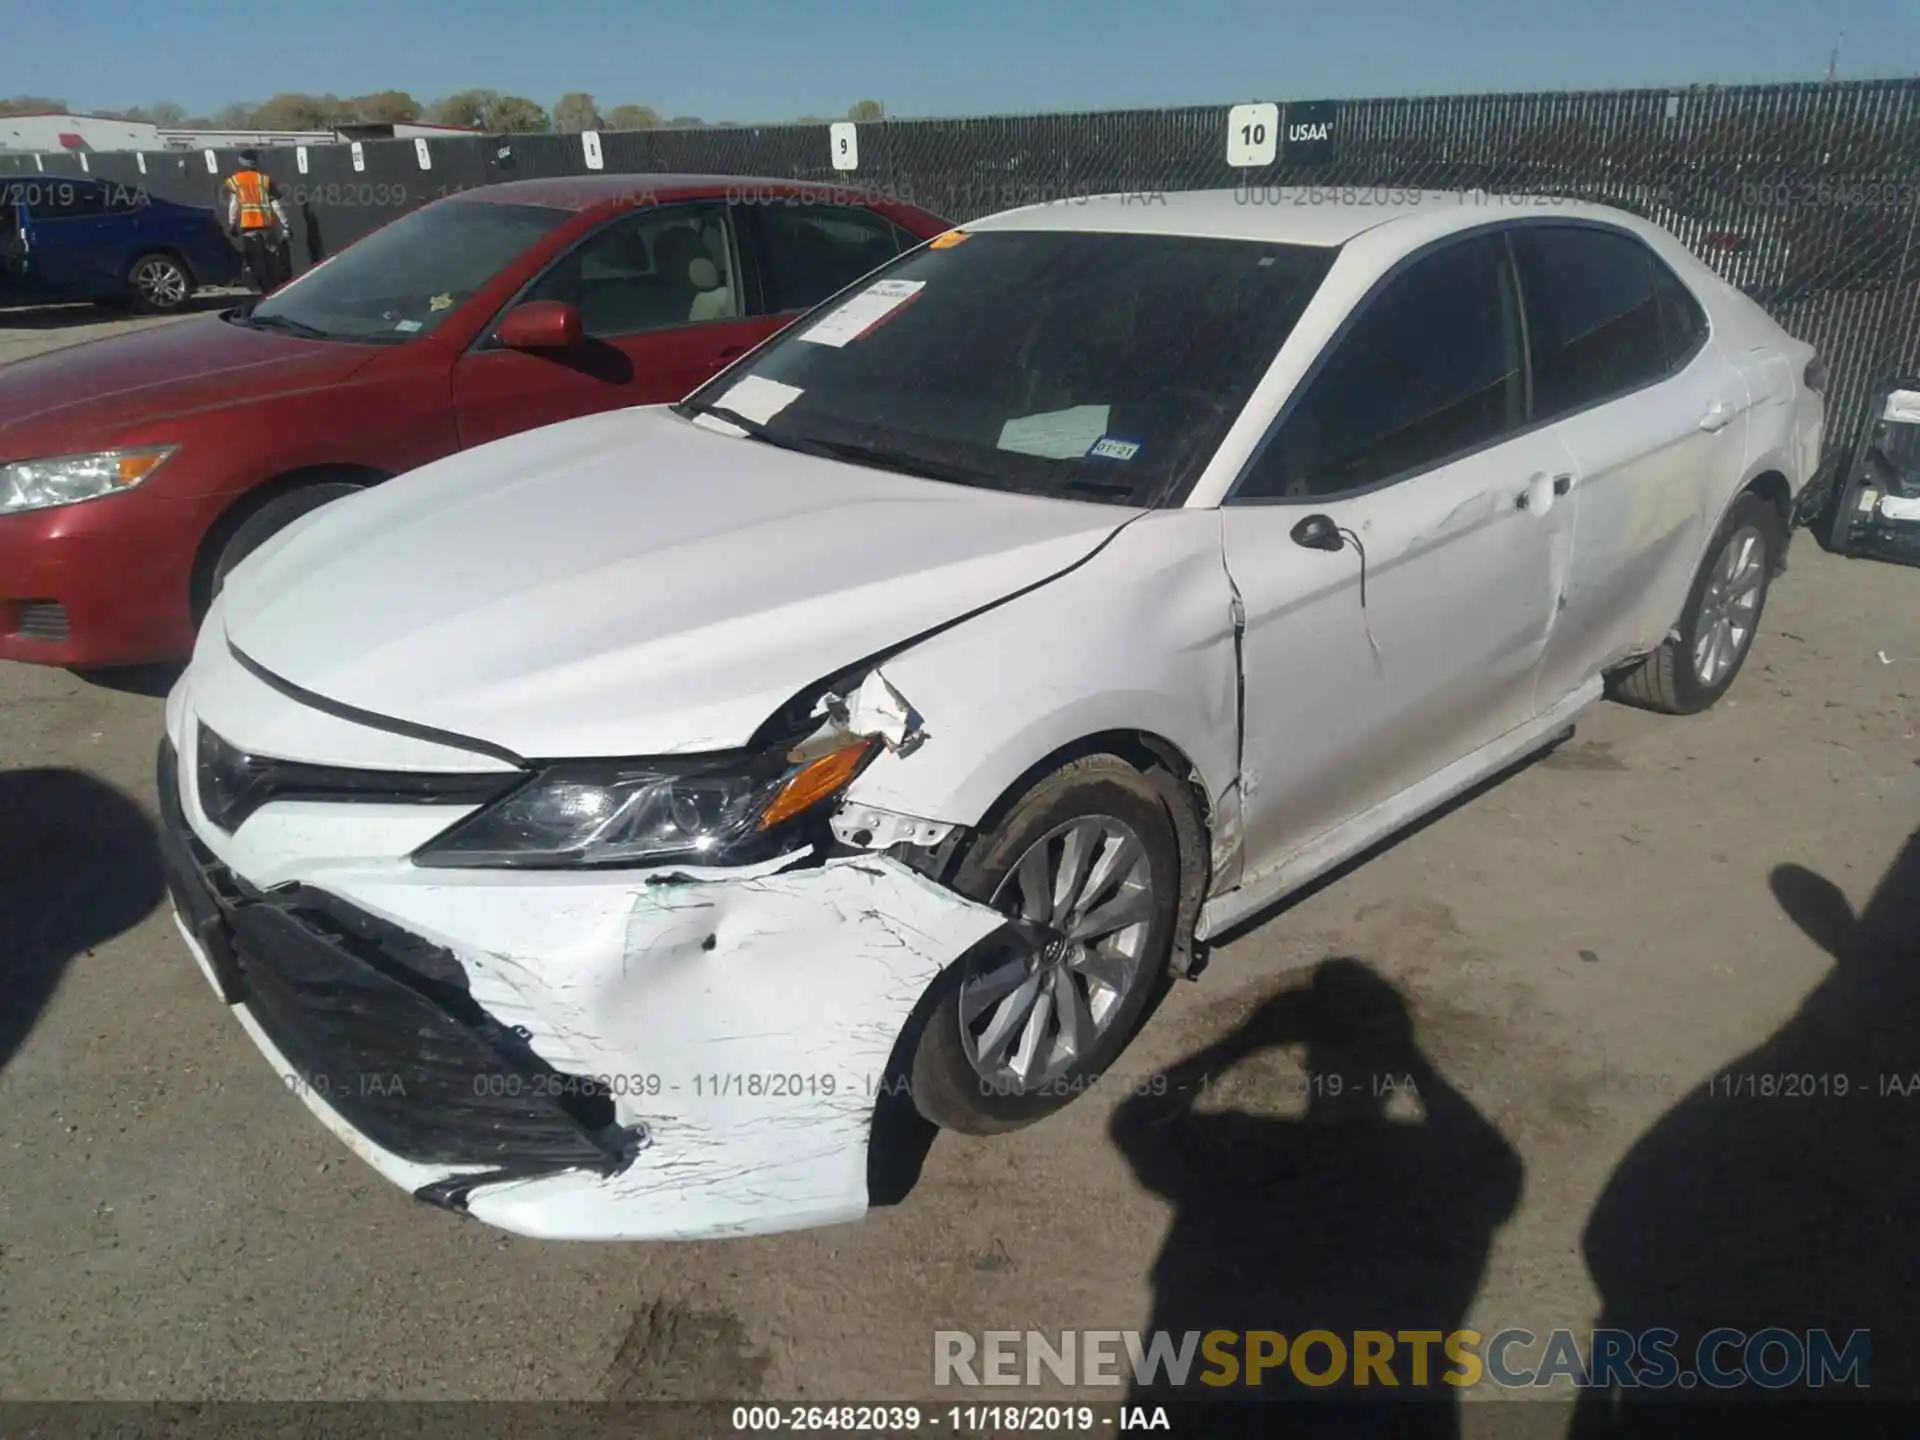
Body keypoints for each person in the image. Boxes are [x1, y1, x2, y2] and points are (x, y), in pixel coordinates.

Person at [222, 150, 292, 295]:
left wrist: (232, 224)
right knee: (272, 258)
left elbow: (234, 204)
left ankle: (258, 289)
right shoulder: (264, 180)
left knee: (254, 259)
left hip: (248, 228)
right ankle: (272, 289)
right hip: (266, 227)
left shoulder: (236, 180)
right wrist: (285, 225)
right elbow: (276, 205)